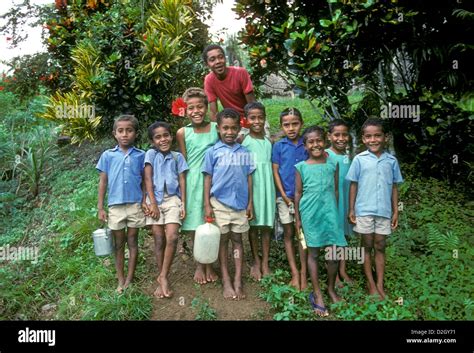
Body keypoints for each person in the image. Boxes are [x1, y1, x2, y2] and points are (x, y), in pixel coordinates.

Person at [346, 117, 403, 300]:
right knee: (366, 245)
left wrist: (395, 211)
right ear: (363, 139)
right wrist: (352, 209)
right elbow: (353, 185)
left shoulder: (391, 161)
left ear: (385, 137)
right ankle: (370, 284)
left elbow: (394, 186)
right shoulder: (359, 160)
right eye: (369, 136)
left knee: (380, 245)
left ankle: (380, 283)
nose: (373, 140)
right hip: (364, 210)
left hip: (384, 211)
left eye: (377, 136)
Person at [202, 108, 255, 300]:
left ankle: (238, 280)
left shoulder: (245, 152)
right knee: (223, 242)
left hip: (240, 205)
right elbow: (207, 178)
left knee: (238, 241)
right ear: (218, 129)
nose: (230, 132)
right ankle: (226, 279)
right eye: (225, 128)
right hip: (219, 204)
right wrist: (207, 204)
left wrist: (250, 203)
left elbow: (250, 178)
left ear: (240, 128)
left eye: (234, 128)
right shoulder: (212, 152)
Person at [294, 126, 348, 317]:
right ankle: (317, 293)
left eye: (318, 140)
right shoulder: (301, 167)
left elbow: (335, 191)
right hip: (310, 215)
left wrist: (336, 212)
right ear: (305, 145)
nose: (315, 144)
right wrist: (297, 219)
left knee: (333, 253)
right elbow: (298, 194)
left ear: (324, 141)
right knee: (314, 253)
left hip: (330, 214)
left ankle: (331, 288)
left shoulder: (333, 164)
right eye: (311, 141)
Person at [96, 114, 146, 293]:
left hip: (135, 205)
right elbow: (103, 182)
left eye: (129, 130)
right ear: (114, 134)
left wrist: (145, 200)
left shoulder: (141, 156)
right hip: (115, 206)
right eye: (121, 131)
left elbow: (145, 181)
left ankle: (130, 279)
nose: (125, 134)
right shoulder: (108, 156)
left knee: (132, 240)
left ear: (135, 133)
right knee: (119, 243)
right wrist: (100, 207)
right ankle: (120, 279)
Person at [176, 87, 219, 285]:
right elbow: (183, 162)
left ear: (207, 107)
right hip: (193, 181)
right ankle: (200, 264)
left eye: (200, 107)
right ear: (185, 110)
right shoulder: (183, 132)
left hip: (214, 179)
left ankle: (211, 261)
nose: (196, 111)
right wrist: (181, 193)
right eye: (191, 108)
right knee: (195, 223)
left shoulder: (216, 128)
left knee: (211, 221)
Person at [144, 121, 188, 298]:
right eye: (158, 137)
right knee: (159, 238)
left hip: (172, 200)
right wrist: (152, 203)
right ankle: (161, 277)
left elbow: (182, 181)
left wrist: (183, 203)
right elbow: (147, 179)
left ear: (171, 137)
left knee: (172, 236)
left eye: (166, 135)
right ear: (153, 141)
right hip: (154, 199)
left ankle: (163, 276)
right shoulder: (151, 155)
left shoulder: (178, 157)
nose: (163, 139)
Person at [271, 107, 308, 290]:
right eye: (286, 125)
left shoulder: (307, 143)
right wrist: (284, 196)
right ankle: (294, 272)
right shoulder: (278, 146)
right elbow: (276, 171)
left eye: (295, 124)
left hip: (305, 199)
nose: (291, 128)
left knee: (302, 234)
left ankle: (303, 272)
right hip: (284, 197)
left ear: (301, 124)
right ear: (281, 127)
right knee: (288, 233)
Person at [203, 44, 270, 138]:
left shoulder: (240, 73)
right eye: (212, 59)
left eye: (220, 57)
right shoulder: (209, 80)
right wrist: (216, 136)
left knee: (263, 144)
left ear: (225, 59)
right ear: (207, 64)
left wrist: (256, 129)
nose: (218, 61)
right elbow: (214, 113)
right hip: (233, 121)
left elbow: (252, 105)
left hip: (252, 117)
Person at [241, 102, 276, 281]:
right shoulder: (243, 141)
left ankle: (265, 262)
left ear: (265, 119)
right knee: (253, 225)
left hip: (267, 186)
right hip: (252, 186)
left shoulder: (269, 141)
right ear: (246, 120)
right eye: (252, 118)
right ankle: (255, 260)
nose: (257, 121)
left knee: (266, 225)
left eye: (260, 117)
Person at [326, 119, 354, 286]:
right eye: (337, 135)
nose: (341, 138)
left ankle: (342, 269)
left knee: (343, 235)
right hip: (333, 201)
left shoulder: (347, 155)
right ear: (329, 136)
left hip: (345, 199)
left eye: (344, 135)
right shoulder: (327, 155)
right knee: (333, 237)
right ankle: (333, 273)